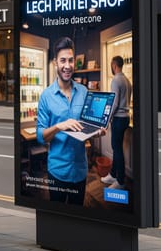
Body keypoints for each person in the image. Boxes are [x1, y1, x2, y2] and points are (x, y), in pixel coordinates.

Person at [36, 36, 104, 205]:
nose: (67, 66)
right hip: (58, 170)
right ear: (55, 63)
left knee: (77, 216)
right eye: (63, 61)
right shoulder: (46, 96)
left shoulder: (83, 91)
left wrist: (97, 132)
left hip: (80, 170)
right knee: (57, 218)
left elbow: (86, 129)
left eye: (71, 61)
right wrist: (59, 126)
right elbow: (40, 136)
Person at [101, 56, 131, 190]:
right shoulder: (127, 80)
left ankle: (120, 181)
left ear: (114, 65)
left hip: (118, 119)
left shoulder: (116, 80)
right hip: (126, 118)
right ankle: (113, 174)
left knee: (117, 149)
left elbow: (114, 103)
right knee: (117, 147)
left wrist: (106, 120)